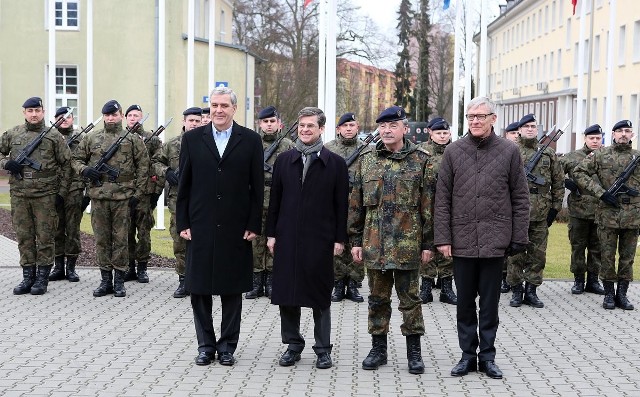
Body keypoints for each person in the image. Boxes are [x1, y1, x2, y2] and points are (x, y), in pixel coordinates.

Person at [435, 96, 530, 379]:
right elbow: (442, 199)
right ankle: (467, 356)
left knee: (489, 305)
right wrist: (442, 237)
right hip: (461, 240)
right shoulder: (453, 152)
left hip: (494, 239)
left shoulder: (509, 151)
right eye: (470, 116)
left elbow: (520, 197)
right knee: (464, 304)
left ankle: (487, 357)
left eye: (480, 116)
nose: (475, 121)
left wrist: (518, 236)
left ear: (493, 119)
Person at [176, 87, 263, 366]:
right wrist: (183, 222)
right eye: (214, 105)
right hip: (200, 224)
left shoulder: (250, 140)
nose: (219, 110)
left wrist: (253, 223)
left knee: (231, 288)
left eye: (224, 105)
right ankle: (205, 345)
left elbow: (257, 188)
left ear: (234, 108)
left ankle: (227, 346)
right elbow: (184, 186)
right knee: (199, 288)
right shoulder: (191, 140)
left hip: (235, 226)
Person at [349, 105, 434, 375]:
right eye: (382, 126)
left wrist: (428, 244)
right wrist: (355, 240)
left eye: (392, 126)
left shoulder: (422, 160)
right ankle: (378, 349)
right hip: (375, 244)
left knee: (410, 300)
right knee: (377, 299)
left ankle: (414, 353)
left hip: (408, 246)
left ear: (404, 129)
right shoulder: (367, 160)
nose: (386, 130)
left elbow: (428, 206)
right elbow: (356, 204)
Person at [266, 106, 349, 370]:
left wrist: (339, 239)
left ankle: (323, 349)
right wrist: (271, 234)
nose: (305, 130)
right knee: (287, 293)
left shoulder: (335, 164)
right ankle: (293, 345)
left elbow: (341, 206)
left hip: (320, 238)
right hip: (287, 236)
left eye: (310, 126)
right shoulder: (283, 161)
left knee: (319, 294)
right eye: (301, 126)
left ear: (321, 129)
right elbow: (275, 202)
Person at [72, 99, 149, 298]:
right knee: (102, 240)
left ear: (121, 116)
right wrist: (86, 170)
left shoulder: (132, 139)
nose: (110, 118)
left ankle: (119, 281)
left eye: (114, 115)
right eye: (107, 115)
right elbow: (76, 159)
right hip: (99, 197)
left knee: (121, 240)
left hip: (123, 198)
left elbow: (143, 167)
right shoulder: (91, 138)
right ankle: (105, 279)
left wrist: (137, 194)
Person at [1, 97, 72, 295]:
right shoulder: (13, 133)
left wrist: (62, 192)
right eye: (30, 110)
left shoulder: (54, 136)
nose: (34, 114)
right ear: (24, 112)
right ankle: (27, 277)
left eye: (37, 110)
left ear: (43, 111)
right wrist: (6, 163)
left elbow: (68, 164)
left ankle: (42, 279)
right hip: (20, 194)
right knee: (24, 237)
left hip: (46, 195)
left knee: (45, 237)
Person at [573, 120, 639, 310]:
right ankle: (609, 294)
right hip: (608, 215)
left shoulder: (637, 156)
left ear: (632, 134)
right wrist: (600, 192)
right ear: (613, 134)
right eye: (620, 131)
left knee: (627, 258)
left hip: (633, 216)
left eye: (627, 131)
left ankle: (623, 295)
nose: (624, 134)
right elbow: (579, 172)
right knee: (607, 256)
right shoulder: (601, 155)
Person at [507, 114, 563, 309]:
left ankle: (531, 290)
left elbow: (558, 183)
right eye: (526, 127)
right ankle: (516, 291)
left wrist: (555, 209)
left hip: (541, 212)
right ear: (519, 130)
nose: (530, 129)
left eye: (533, 126)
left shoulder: (548, 153)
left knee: (538, 255)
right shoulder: (510, 151)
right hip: (516, 212)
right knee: (516, 254)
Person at [151, 106, 201, 298]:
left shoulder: (210, 142)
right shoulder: (172, 144)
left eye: (197, 121)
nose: (194, 124)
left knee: (202, 243)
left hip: (203, 202)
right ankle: (183, 280)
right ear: (184, 122)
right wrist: (167, 173)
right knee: (180, 241)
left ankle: (200, 280)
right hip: (178, 201)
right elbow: (156, 162)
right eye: (191, 120)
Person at [245, 106, 294, 300]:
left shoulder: (288, 145)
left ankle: (273, 280)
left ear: (278, 123)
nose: (269, 125)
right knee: (256, 239)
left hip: (279, 198)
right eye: (265, 122)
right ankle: (257, 281)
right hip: (256, 197)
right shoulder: (252, 143)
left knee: (276, 239)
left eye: (272, 121)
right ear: (260, 124)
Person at [558, 124, 606, 295]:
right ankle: (579, 280)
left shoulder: (607, 157)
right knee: (578, 246)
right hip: (579, 210)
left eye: (598, 138)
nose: (595, 141)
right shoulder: (571, 157)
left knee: (597, 247)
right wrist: (567, 183)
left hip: (602, 211)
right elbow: (554, 173)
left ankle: (593, 280)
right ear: (585, 138)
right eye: (591, 138)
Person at [325, 112, 365, 303]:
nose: (348, 129)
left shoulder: (367, 149)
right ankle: (338, 282)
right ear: (338, 129)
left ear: (357, 128)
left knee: (357, 242)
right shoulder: (329, 148)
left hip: (359, 200)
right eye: (345, 126)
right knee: (337, 239)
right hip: (334, 200)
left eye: (352, 125)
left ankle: (354, 284)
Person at [417, 118, 457, 305]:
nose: (442, 136)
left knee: (448, 245)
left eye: (445, 133)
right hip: (427, 206)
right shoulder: (421, 153)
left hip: (451, 207)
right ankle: (426, 287)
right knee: (427, 245)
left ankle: (447, 288)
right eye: (438, 133)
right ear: (430, 133)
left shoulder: (456, 152)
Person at [123, 105, 164, 283]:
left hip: (144, 193)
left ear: (142, 117)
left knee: (144, 231)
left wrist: (154, 192)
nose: (133, 118)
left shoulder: (152, 139)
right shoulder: (119, 137)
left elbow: (158, 162)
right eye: (130, 115)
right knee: (126, 232)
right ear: (125, 118)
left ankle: (142, 268)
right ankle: (129, 267)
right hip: (123, 192)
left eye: (136, 115)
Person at [49, 106, 86, 283]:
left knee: (72, 229)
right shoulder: (48, 137)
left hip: (74, 189)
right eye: (60, 116)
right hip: (53, 189)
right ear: (55, 119)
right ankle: (58, 267)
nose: (64, 119)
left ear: (72, 119)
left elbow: (88, 163)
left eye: (68, 116)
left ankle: (71, 268)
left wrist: (86, 192)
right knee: (56, 228)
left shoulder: (82, 138)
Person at [499, 121, 521, 294]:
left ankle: (525, 288)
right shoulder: (501, 151)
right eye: (512, 133)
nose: (516, 136)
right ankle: (504, 279)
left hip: (531, 211)